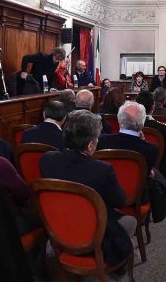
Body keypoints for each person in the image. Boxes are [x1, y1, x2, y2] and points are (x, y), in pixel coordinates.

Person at [39, 110, 134, 265]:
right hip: (92, 233)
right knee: (129, 222)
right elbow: (120, 201)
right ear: (90, 146)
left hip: (57, 225)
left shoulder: (46, 159)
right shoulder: (102, 169)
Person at [97, 101, 159, 175]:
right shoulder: (151, 149)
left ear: (119, 120)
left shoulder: (100, 140)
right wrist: (143, 141)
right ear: (142, 123)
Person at [136, 91, 166, 183]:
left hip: (133, 169)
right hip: (158, 172)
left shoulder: (129, 125)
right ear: (153, 107)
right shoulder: (162, 128)